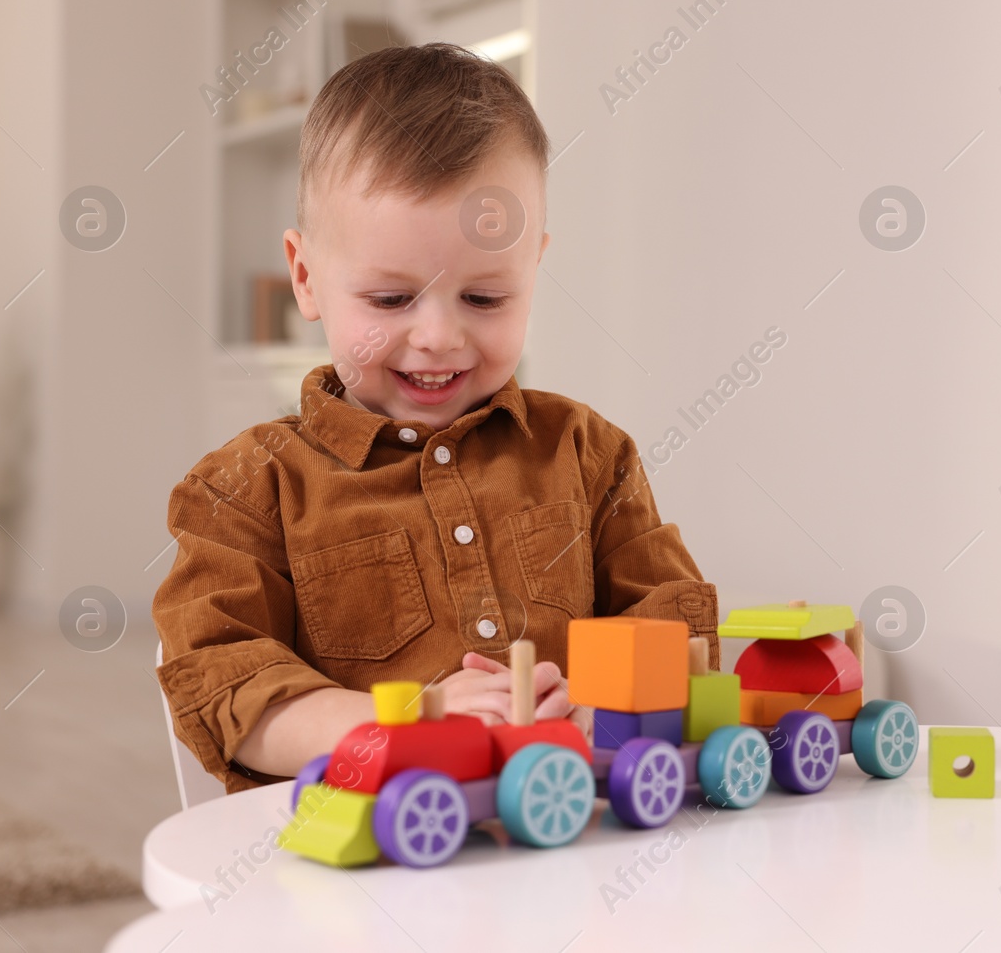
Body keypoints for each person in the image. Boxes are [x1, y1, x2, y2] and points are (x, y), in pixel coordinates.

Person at [154, 44, 719, 793]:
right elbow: (225, 688)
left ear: (533, 269)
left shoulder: (589, 455)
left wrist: (606, 701)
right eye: (390, 300)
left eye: (485, 299)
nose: (440, 337)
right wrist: (406, 722)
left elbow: (681, 629)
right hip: (357, 874)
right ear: (305, 276)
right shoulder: (246, 489)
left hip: (574, 846)